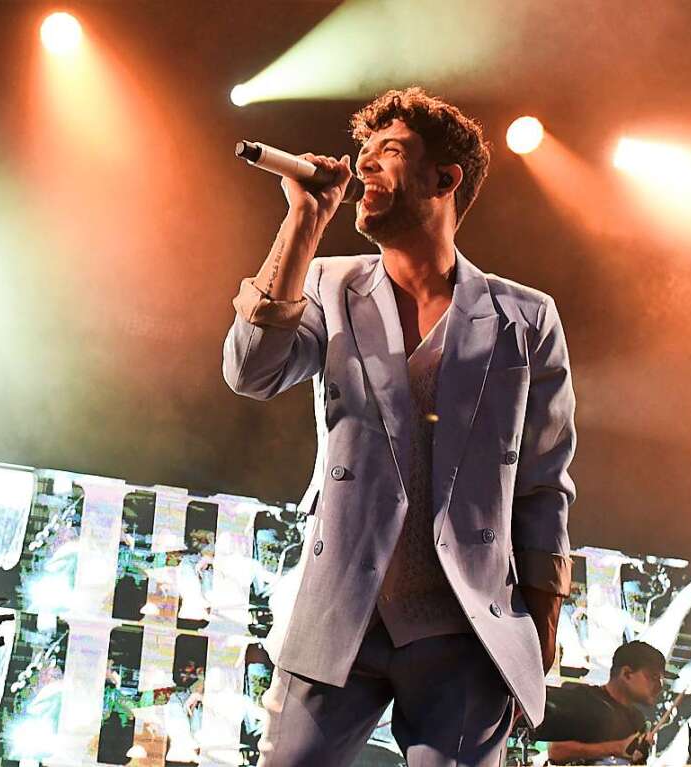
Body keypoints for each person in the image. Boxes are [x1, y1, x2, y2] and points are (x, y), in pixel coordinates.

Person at [222, 87, 576, 766]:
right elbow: (251, 371)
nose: (362, 168)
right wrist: (302, 222)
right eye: (361, 154)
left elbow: (542, 478)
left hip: (463, 625)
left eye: (387, 152)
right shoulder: (324, 282)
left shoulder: (524, 316)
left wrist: (540, 618)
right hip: (338, 612)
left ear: (444, 179)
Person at [534, 641, 665, 764]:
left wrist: (640, 755)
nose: (660, 686)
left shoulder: (637, 719)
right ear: (627, 674)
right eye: (653, 677)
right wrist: (616, 748)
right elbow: (556, 751)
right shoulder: (584, 699)